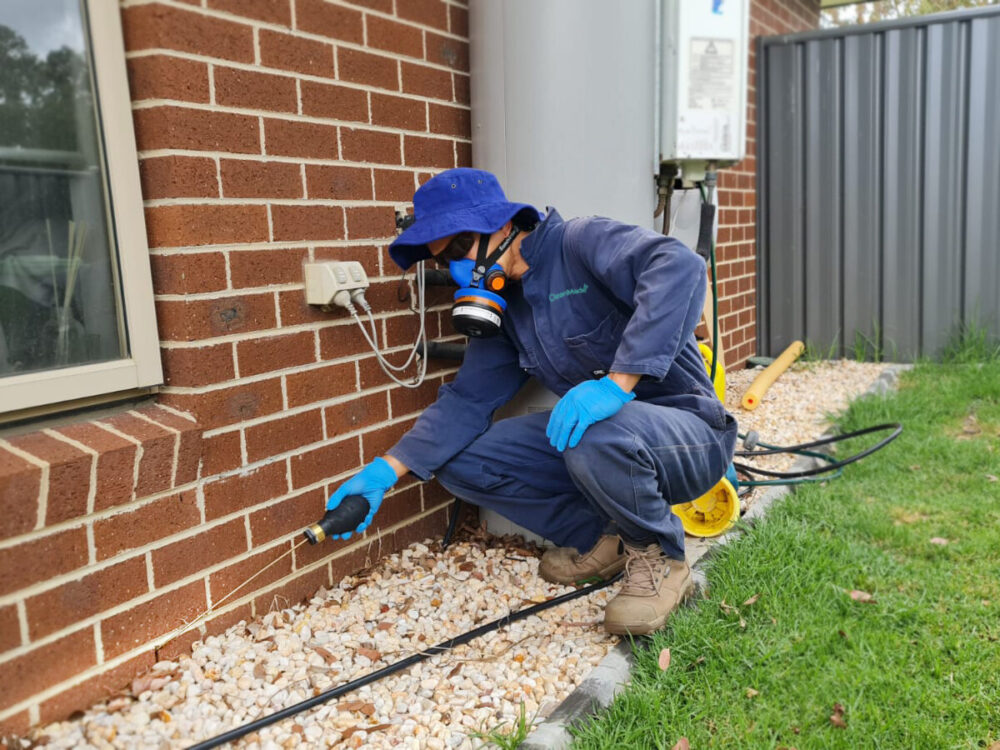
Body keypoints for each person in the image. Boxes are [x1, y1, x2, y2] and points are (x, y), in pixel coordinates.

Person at [326, 168, 738, 635]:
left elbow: (680, 266)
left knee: (594, 431)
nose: (459, 269)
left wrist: (617, 383)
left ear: (503, 225)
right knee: (464, 461)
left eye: (460, 249)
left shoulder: (579, 242)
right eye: (447, 262)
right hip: (607, 446)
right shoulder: (507, 308)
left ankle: (661, 557)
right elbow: (466, 401)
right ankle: (609, 539)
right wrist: (388, 469)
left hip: (690, 435)